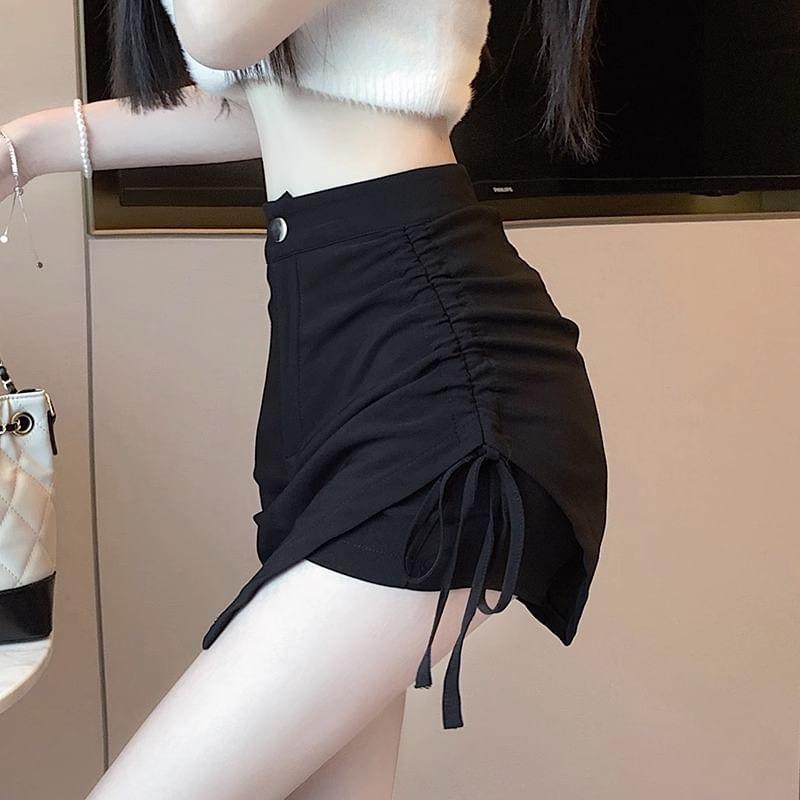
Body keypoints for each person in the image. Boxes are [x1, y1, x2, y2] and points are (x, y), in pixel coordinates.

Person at [1, 0, 608, 797]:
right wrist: (29, 144)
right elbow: (271, 99)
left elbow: (221, 30)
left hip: (432, 382)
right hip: (329, 361)